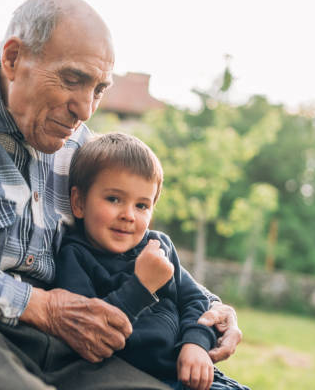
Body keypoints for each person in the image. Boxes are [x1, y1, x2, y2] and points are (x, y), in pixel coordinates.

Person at [0, 0, 242, 390]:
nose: (86, 109)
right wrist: (38, 305)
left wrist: (211, 306)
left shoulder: (79, 147)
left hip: (57, 344)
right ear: (13, 58)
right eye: (73, 80)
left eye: (99, 89)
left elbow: (128, 243)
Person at [54, 132, 249, 390]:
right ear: (79, 202)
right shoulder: (76, 257)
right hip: (130, 378)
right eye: (114, 199)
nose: (128, 215)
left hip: (188, 370)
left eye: (142, 206)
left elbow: (195, 299)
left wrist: (196, 344)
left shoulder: (158, 247)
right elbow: (85, 327)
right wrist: (141, 287)